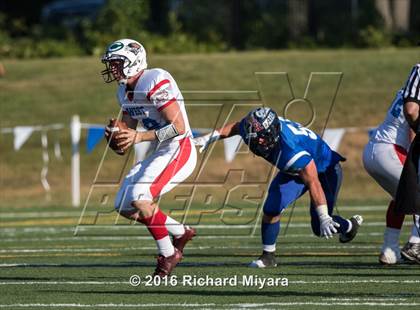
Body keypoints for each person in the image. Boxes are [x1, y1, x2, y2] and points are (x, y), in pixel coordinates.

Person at [194, 107, 363, 267]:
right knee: (271, 208)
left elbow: (313, 181)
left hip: (324, 170)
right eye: (254, 137)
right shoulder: (253, 129)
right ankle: (268, 256)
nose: (256, 142)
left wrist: (324, 216)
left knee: (320, 227)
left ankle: (349, 226)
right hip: (294, 171)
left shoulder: (291, 150)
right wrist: (208, 138)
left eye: (261, 138)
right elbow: (237, 127)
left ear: (273, 133)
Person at [101, 38, 197, 276]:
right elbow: (128, 131)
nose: (112, 68)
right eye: (111, 63)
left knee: (139, 196)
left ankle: (168, 255)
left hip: (179, 148)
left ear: (134, 62)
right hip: (162, 150)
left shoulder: (155, 79)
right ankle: (180, 232)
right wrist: (117, 139)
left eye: (117, 63)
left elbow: (179, 127)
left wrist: (139, 137)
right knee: (123, 206)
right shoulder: (123, 90)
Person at [364, 65, 420, 265]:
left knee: (402, 197)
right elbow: (413, 128)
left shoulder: (409, 89)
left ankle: (390, 250)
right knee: (416, 191)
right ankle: (415, 244)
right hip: (391, 150)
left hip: (373, 151)